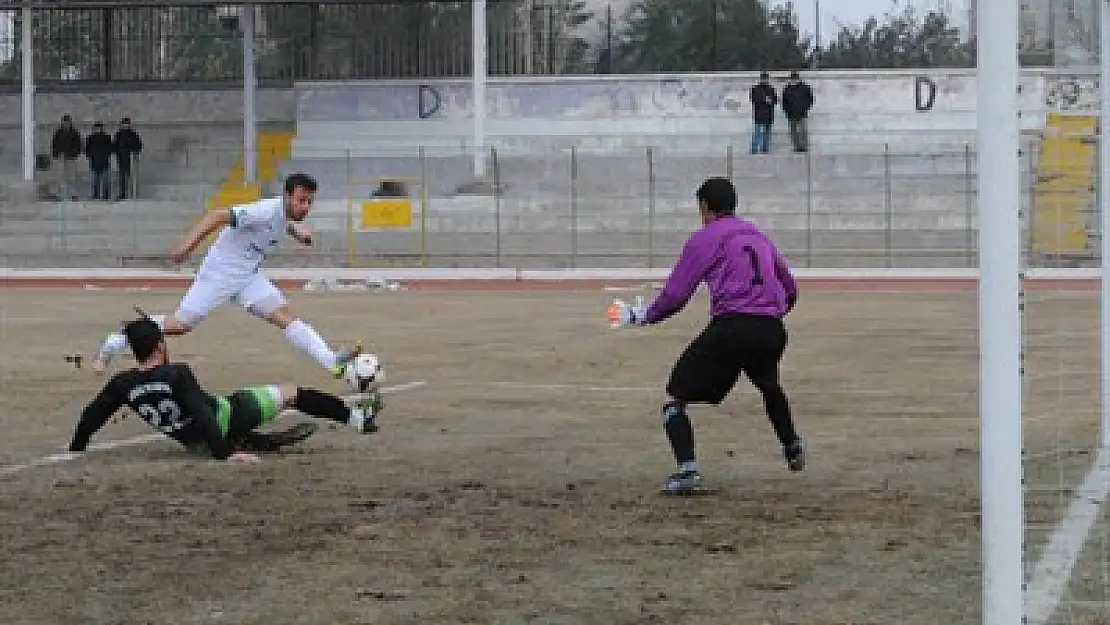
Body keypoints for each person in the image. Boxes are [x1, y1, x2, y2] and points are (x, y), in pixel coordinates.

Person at [609, 177, 805, 495]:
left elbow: (676, 295)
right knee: (768, 383)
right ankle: (792, 444)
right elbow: (790, 288)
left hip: (732, 326)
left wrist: (643, 315)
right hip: (771, 328)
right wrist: (769, 315)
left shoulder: (705, 238)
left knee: (674, 397)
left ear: (704, 207)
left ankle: (687, 471)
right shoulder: (757, 235)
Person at [90, 172, 362, 380]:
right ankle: (115, 342)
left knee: (285, 316)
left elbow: (279, 223)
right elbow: (217, 216)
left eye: (309, 202)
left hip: (248, 277)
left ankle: (332, 361)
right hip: (219, 273)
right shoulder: (265, 210)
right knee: (180, 325)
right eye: (301, 200)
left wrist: (295, 232)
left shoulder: (280, 215)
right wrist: (187, 247)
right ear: (287, 197)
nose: (306, 207)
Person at [70, 317, 382, 463]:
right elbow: (202, 412)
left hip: (190, 442)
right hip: (225, 417)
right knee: (294, 394)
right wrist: (226, 454)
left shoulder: (122, 383)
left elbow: (91, 417)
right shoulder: (177, 373)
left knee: (230, 423)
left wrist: (77, 447)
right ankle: (358, 419)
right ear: (160, 345)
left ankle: (249, 440)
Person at [781, 71, 814, 153]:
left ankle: (804, 146)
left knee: (803, 130)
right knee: (793, 131)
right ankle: (797, 146)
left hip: (802, 113)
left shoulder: (805, 87)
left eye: (795, 79)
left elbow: (810, 99)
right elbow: (784, 101)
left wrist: (805, 108)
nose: (794, 81)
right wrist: (787, 110)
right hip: (791, 113)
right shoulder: (787, 88)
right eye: (792, 79)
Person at [114, 117, 143, 200]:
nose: (125, 125)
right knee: (122, 176)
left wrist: (134, 150)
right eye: (124, 124)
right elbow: (115, 145)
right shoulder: (119, 134)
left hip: (130, 157)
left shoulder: (133, 134)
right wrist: (117, 152)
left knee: (130, 175)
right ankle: (123, 193)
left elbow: (138, 145)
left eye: (127, 124)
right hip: (121, 157)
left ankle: (132, 192)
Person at [749, 72, 778, 155]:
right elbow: (753, 99)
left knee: (767, 133)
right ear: (760, 79)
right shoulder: (755, 89)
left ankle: (765, 148)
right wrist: (764, 100)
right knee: (757, 132)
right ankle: (754, 149)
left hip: (768, 114)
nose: (765, 80)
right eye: (763, 79)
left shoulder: (771, 89)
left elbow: (775, 100)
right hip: (759, 113)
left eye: (766, 79)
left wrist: (771, 101)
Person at [85, 122, 115, 200]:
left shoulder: (106, 137)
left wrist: (105, 154)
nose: (98, 130)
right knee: (95, 180)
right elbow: (87, 150)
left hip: (104, 161)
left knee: (105, 180)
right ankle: (96, 194)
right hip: (94, 162)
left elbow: (110, 148)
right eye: (97, 128)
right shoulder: (90, 138)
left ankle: (106, 195)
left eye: (99, 128)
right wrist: (91, 155)